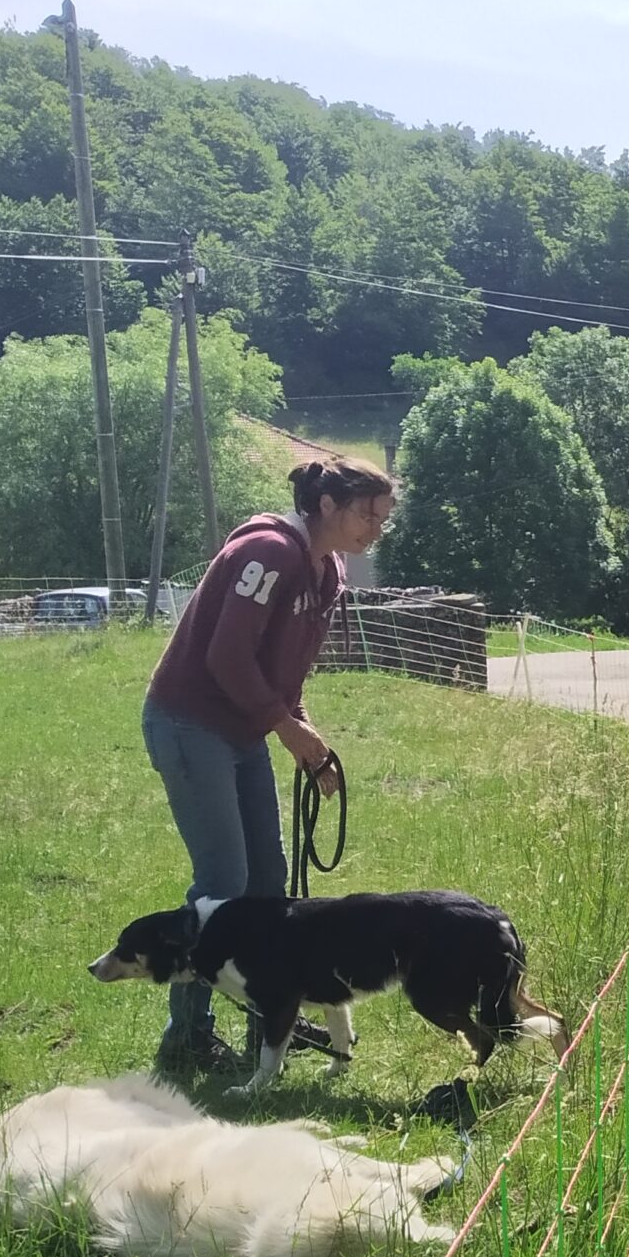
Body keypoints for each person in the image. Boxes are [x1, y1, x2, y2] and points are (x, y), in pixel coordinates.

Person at [141, 457, 393, 1077]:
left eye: (383, 519)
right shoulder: (270, 552)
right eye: (367, 513)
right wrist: (285, 726)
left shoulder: (327, 571)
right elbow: (228, 657)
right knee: (222, 883)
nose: (375, 529)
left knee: (267, 883)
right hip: (190, 723)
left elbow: (286, 673)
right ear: (328, 505)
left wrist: (303, 737)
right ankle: (187, 1036)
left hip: (244, 729)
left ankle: (270, 1015)